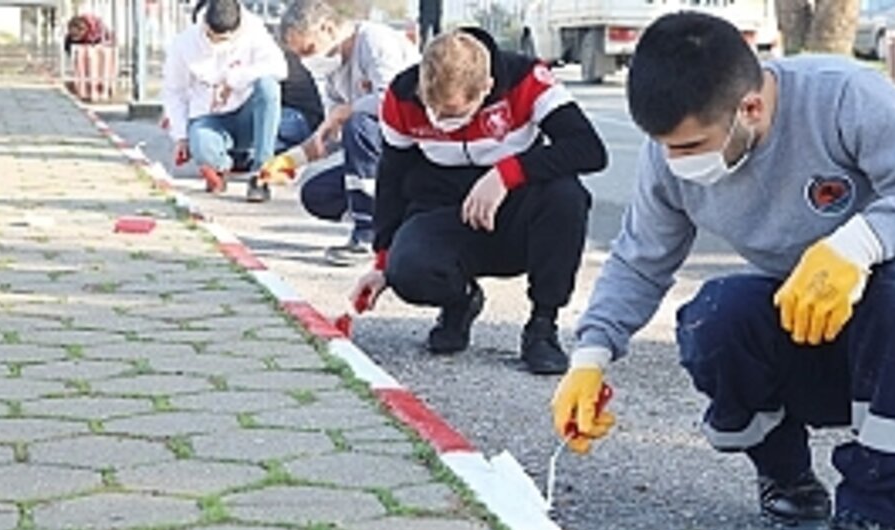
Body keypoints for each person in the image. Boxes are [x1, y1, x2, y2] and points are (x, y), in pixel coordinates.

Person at [549, 12, 895, 530]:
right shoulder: (671, 161)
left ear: (751, 108)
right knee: (715, 319)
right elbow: (639, 262)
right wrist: (589, 357)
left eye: (691, 145)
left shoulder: (841, 99)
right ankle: (787, 477)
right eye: (664, 147)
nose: (678, 162)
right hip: (813, 328)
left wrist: (861, 241)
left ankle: (875, 520)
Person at [349, 29, 607, 375]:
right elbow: (392, 178)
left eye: (454, 115)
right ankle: (460, 300)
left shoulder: (526, 79)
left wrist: (507, 173)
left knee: (566, 197)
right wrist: (382, 260)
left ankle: (542, 326)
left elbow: (589, 150)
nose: (443, 124)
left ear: (486, 87)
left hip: (516, 211)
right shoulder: (401, 94)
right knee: (405, 269)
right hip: (442, 210)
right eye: (434, 112)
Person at [259, 0, 418, 267]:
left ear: (328, 28)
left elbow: (395, 102)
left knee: (359, 123)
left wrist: (350, 109)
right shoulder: (332, 70)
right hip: (381, 154)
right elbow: (332, 132)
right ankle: (396, 218)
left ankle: (368, 234)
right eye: (299, 55)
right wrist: (289, 162)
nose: (306, 61)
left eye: (308, 49)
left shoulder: (374, 42)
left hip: (412, 146)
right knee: (317, 195)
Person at [162, 0, 286, 202]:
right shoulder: (184, 43)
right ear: (205, 26)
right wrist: (181, 136)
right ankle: (223, 165)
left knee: (269, 87)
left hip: (247, 114)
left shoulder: (254, 30)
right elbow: (175, 91)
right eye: (213, 38)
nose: (219, 44)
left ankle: (261, 173)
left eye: (226, 40)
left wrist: (235, 79)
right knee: (201, 146)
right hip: (209, 117)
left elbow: (279, 68)